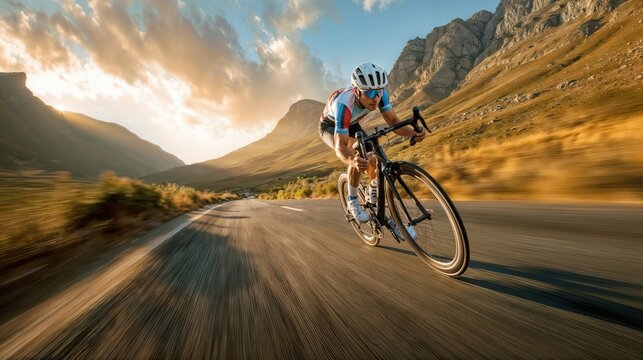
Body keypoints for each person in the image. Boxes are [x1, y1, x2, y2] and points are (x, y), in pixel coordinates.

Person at [319, 62, 427, 222]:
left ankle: (373, 187)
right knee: (357, 155)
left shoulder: (380, 96)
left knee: (372, 155)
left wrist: (414, 133)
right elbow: (340, 146)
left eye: (379, 91)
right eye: (369, 93)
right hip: (330, 126)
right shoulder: (344, 104)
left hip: (353, 122)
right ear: (356, 91)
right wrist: (352, 160)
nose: (375, 98)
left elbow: (394, 123)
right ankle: (352, 201)